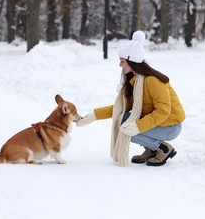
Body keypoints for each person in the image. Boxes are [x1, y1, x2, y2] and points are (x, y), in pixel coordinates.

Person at [77, 30, 185, 167]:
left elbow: (163, 112)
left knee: (126, 127)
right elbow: (120, 109)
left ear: (132, 61)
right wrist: (94, 115)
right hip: (158, 123)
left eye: (122, 61)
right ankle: (151, 149)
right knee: (121, 118)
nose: (120, 65)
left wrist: (137, 126)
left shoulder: (153, 81)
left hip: (169, 126)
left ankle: (162, 148)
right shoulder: (135, 81)